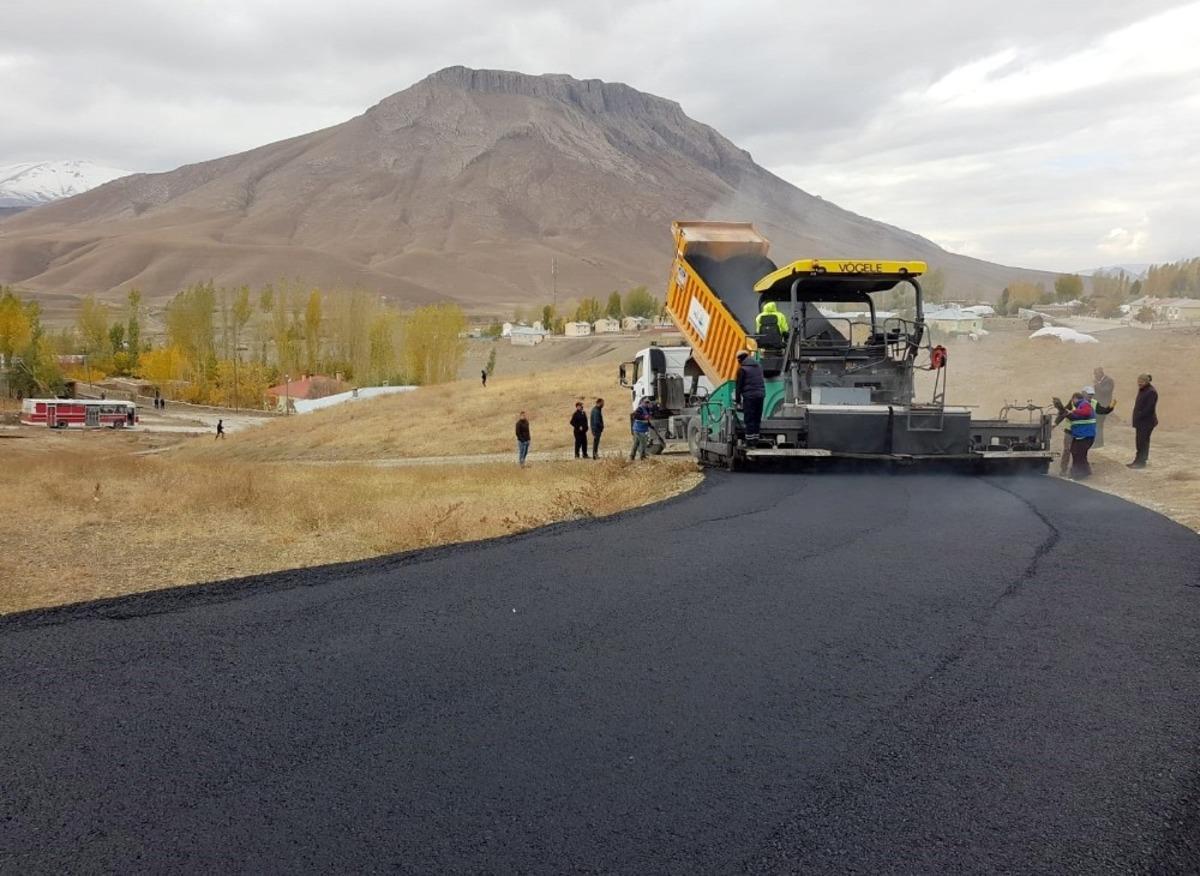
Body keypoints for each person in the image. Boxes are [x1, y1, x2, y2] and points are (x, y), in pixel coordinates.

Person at [1063, 392, 1096, 479]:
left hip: (1085, 436)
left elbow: (1086, 412)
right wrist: (1069, 414)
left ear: (1075, 398)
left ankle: (1079, 474)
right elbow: (1078, 417)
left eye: (1072, 400)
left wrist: (1073, 411)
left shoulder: (1084, 404)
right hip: (1081, 436)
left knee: (1078, 454)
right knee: (1076, 452)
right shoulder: (1080, 406)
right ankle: (1084, 471)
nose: (1072, 402)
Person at [1128, 373, 1158, 469]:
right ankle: (1137, 460)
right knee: (1139, 441)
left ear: (1146, 382)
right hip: (1141, 422)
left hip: (1146, 422)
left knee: (1143, 442)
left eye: (1141, 382)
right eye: (1138, 381)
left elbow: (1149, 408)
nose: (1139, 383)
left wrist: (1139, 416)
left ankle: (1141, 462)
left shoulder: (1151, 392)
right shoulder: (1143, 390)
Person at [734, 350, 765, 442]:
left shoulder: (742, 369)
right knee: (757, 419)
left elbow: (738, 387)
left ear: (740, 359)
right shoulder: (759, 366)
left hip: (749, 397)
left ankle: (749, 443)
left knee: (749, 419)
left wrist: (738, 401)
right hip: (760, 396)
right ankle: (755, 440)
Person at [1092, 367, 1114, 447]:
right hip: (1097, 405)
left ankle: (1098, 443)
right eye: (1094, 374)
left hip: (1103, 406)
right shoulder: (1099, 382)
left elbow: (1106, 392)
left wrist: (1097, 385)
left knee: (1099, 424)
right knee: (1097, 424)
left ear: (1101, 373)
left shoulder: (1109, 381)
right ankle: (1097, 442)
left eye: (1096, 374)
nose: (1095, 376)